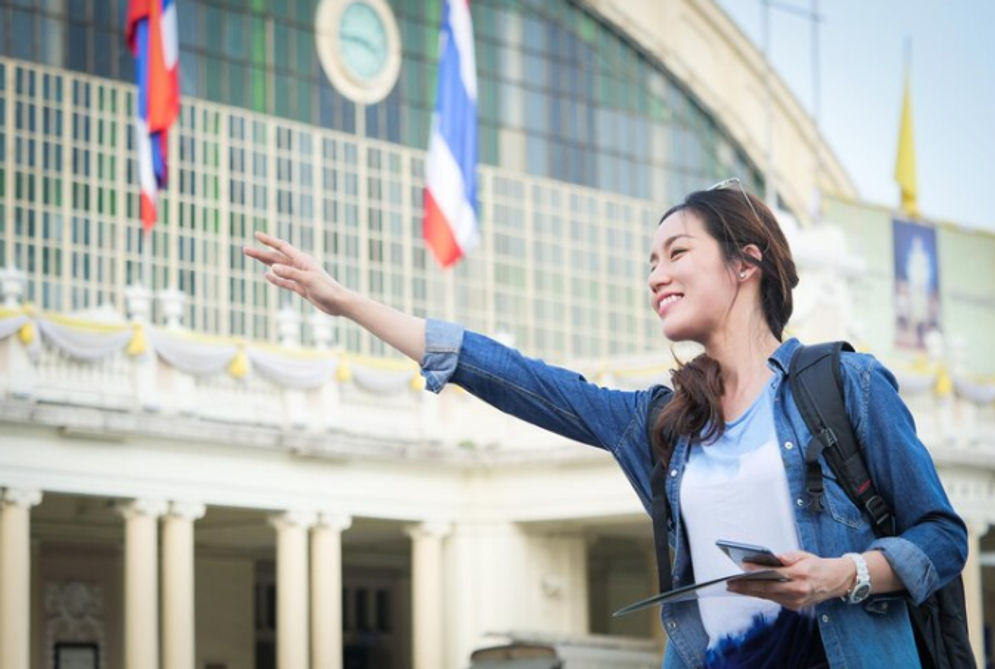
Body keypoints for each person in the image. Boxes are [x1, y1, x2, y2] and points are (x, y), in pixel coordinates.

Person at [244, 180, 967, 669]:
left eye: (676, 252)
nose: (655, 274)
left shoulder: (844, 384)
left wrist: (841, 574)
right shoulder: (663, 425)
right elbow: (514, 376)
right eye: (649, 261)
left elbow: (941, 535)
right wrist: (345, 303)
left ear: (746, 262)